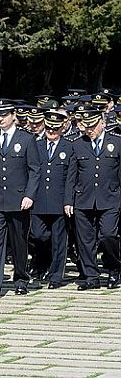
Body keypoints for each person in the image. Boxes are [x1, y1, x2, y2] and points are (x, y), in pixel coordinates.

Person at [0, 101, 40, 299]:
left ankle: (21, 279)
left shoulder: (27, 139)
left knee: (19, 242)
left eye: (4, 115)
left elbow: (35, 169)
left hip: (18, 200)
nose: (0, 118)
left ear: (13, 115)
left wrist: (29, 194)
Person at [64, 108, 121, 290]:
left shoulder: (116, 142)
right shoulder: (78, 144)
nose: (89, 130)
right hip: (84, 198)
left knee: (108, 235)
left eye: (93, 126)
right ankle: (91, 276)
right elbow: (71, 175)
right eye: (86, 127)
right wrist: (68, 200)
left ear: (102, 123)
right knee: (85, 240)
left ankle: (114, 268)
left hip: (110, 197)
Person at [30, 110, 74, 289]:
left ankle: (56, 275)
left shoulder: (69, 147)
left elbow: (71, 177)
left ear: (62, 128)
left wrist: (68, 201)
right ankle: (41, 264)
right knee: (38, 235)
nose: (51, 131)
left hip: (59, 201)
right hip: (39, 199)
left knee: (59, 240)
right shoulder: (36, 145)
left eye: (55, 128)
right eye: (48, 127)